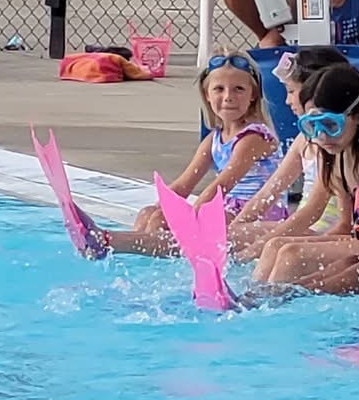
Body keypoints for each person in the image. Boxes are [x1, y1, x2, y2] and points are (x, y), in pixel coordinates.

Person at [251, 64, 359, 293]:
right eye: (312, 126)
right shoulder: (335, 154)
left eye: (331, 125)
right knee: (277, 246)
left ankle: (267, 308)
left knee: (292, 255)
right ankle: (253, 301)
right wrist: (264, 245)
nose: (322, 136)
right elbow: (342, 224)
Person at [91, 51, 284, 256]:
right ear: (207, 95)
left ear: (253, 95)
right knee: (150, 214)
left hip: (256, 213)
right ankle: (140, 257)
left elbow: (221, 186)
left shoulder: (254, 137)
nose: (228, 97)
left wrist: (190, 217)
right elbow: (184, 185)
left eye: (239, 89)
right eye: (219, 89)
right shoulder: (214, 139)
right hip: (226, 206)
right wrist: (160, 208)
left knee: (183, 224)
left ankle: (110, 241)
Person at [227, 46, 350, 260]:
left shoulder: (333, 144)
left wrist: (255, 248)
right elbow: (271, 190)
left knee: (265, 248)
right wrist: (239, 224)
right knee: (230, 235)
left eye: (292, 92)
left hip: (322, 231)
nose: (287, 101)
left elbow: (318, 214)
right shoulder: (305, 140)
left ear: (315, 91)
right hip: (303, 226)